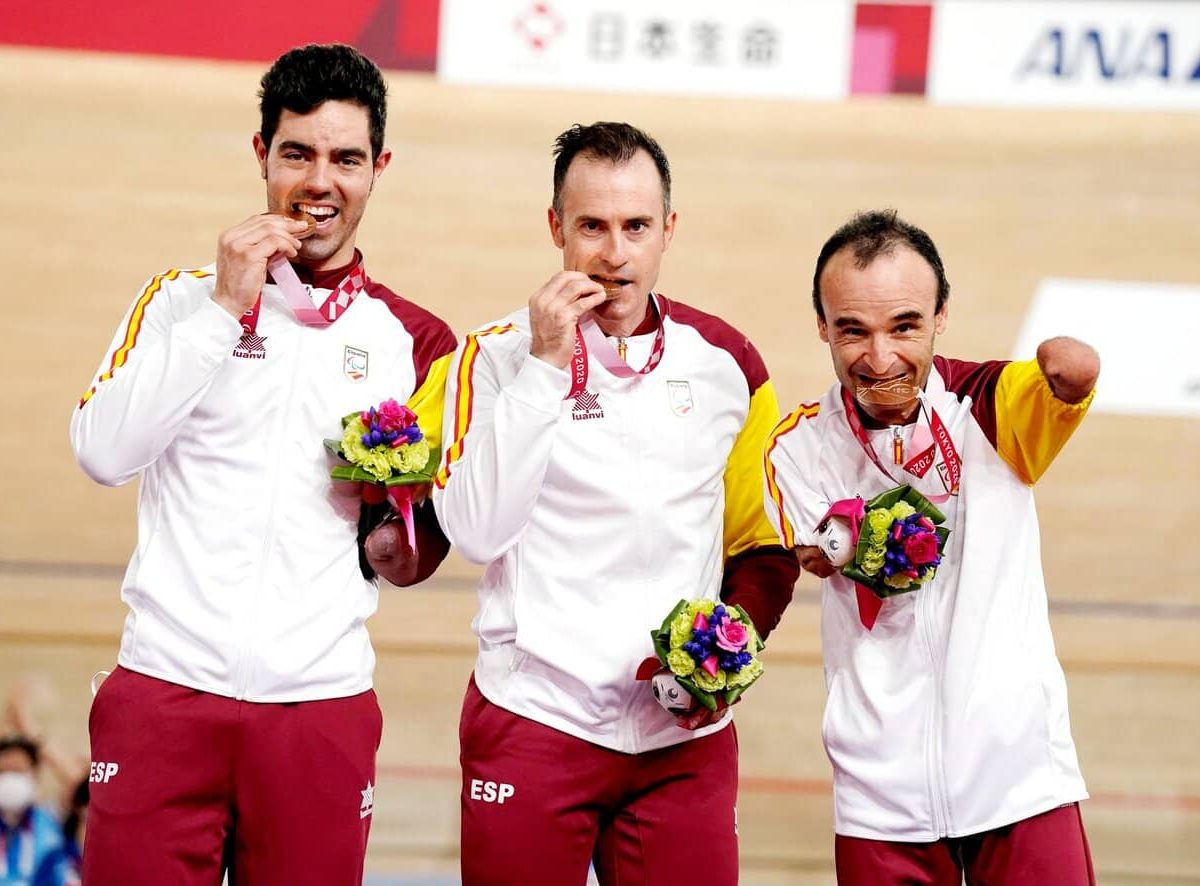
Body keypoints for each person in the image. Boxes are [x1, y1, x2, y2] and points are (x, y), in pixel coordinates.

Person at [69, 43, 456, 885]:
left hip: (319, 710)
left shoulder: (418, 344)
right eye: (298, 153)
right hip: (164, 694)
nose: (322, 180)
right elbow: (102, 453)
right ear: (262, 156)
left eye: (346, 158)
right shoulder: (177, 301)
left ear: (378, 168)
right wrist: (222, 308)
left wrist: (391, 520)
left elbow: (418, 555)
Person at [432, 121, 799, 885]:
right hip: (535, 722)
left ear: (668, 230)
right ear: (555, 228)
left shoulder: (727, 363)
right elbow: (474, 532)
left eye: (636, 226)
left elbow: (760, 549)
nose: (614, 251)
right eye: (591, 226)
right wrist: (543, 367)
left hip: (681, 745)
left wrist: (721, 658)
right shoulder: (494, 357)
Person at [763, 209, 1099, 885]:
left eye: (904, 326)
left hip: (1020, 780)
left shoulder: (992, 406)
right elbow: (816, 554)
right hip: (881, 803)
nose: (881, 357)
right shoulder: (796, 448)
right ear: (823, 327)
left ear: (942, 316)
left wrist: (1070, 369)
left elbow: (1075, 374)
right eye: (853, 330)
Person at [0, 736, 62, 885]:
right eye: (3, 772)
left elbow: (79, 784)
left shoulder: (52, 817)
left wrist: (29, 730)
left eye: (17, 771)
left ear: (34, 775)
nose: (10, 779)